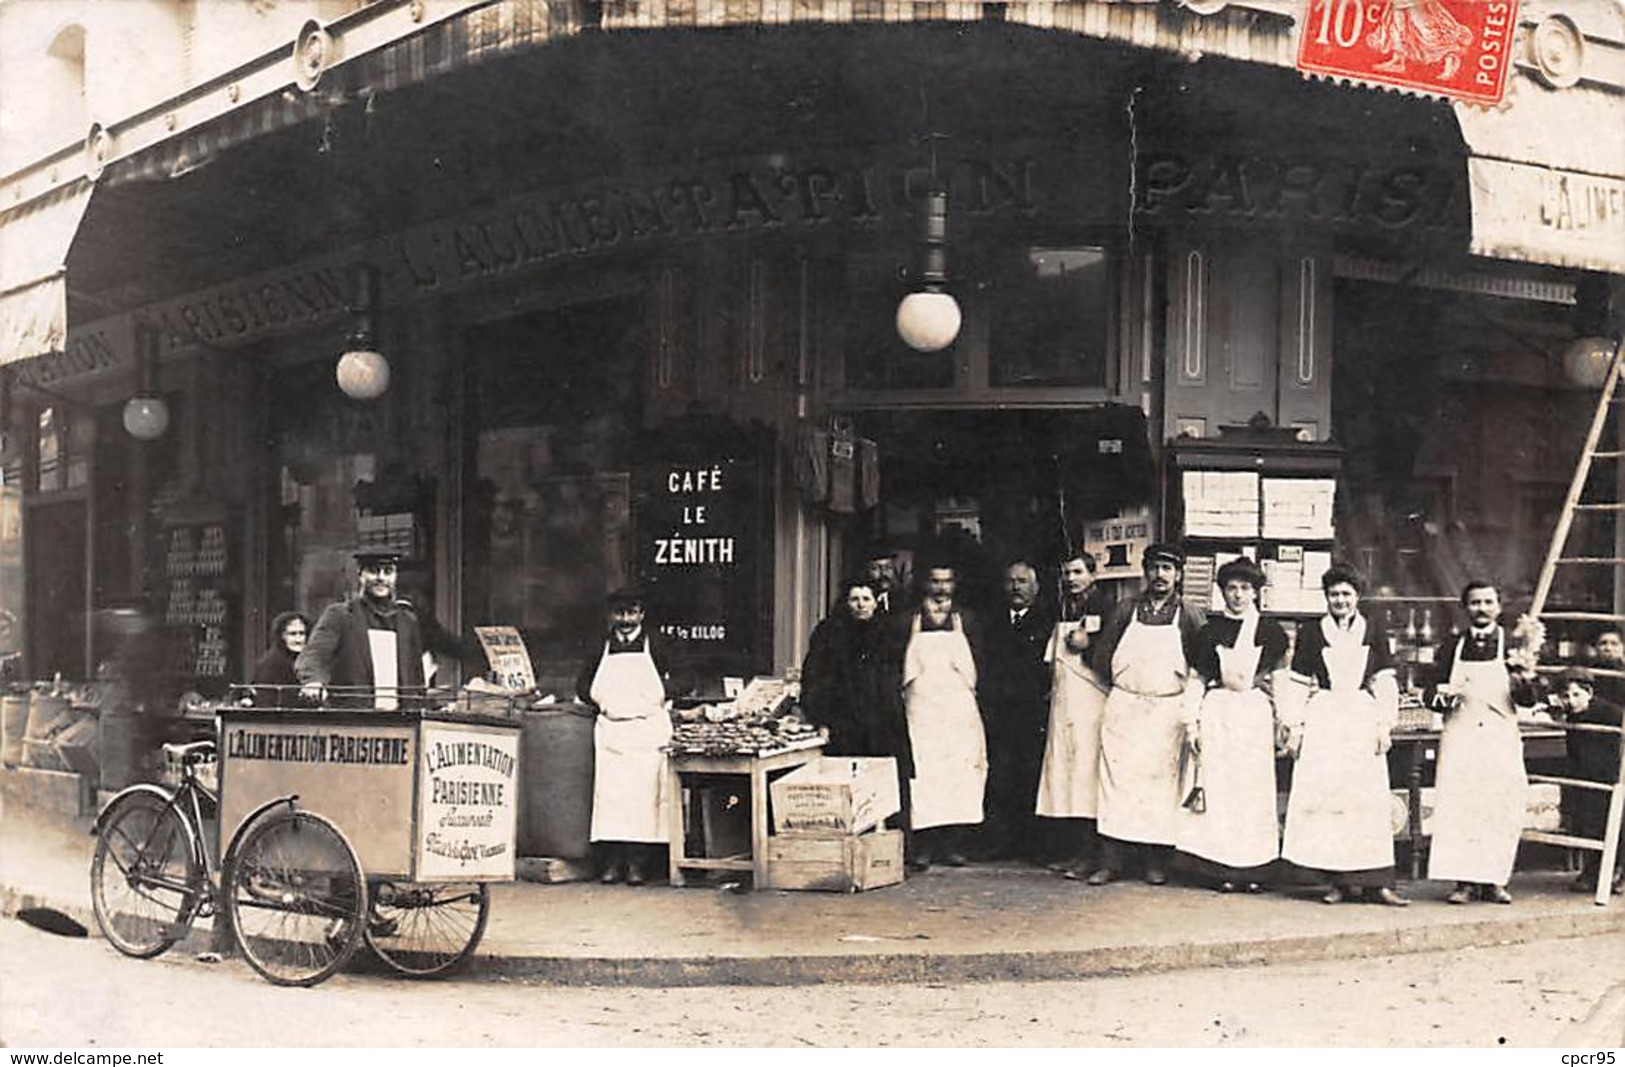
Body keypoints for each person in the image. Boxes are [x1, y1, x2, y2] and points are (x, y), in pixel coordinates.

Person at [1280, 563, 1409, 907]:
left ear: (1357, 597)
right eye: (1334, 594)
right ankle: (1335, 882)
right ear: (1326, 598)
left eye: (1346, 594)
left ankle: (1376, 883)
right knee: (1329, 799)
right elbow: (1297, 680)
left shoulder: (1373, 629)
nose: (1340, 600)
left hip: (1360, 719)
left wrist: (1384, 723)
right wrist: (1295, 726)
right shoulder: (1311, 632)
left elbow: (1383, 678)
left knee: (1365, 800)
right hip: (1324, 718)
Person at [1085, 542, 1204, 887]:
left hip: (1167, 711)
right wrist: (1129, 690)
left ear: (1178, 575)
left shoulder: (1189, 614)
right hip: (1125, 707)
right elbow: (1101, 658)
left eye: (1167, 569)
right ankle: (1110, 862)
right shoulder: (1125, 609)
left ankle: (1156, 862)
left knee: (1160, 788)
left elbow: (1201, 664)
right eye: (1154, 568)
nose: (1160, 575)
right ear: (1145, 572)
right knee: (1115, 784)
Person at [1175, 558, 1289, 893]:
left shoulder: (1271, 632)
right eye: (1231, 588)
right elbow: (1197, 680)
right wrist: (1191, 723)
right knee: (1222, 790)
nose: (1238, 595)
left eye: (1245, 589)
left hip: (1253, 714)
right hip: (1218, 713)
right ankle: (1221, 868)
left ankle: (1254, 869)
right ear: (1222, 591)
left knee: (1252, 791)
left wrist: (1286, 721)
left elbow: (1280, 680)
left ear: (1256, 593)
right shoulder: (1210, 632)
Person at [1426, 581, 1538, 905]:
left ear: (1498, 607)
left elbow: (1529, 700)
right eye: (1475, 603)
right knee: (1460, 805)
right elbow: (1430, 691)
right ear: (1466, 608)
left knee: (1498, 805)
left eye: (1488, 602)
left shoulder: (1514, 646)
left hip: (1499, 735)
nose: (1482, 608)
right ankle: (1463, 882)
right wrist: (1444, 698)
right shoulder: (1451, 646)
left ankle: (1495, 880)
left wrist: (1523, 683)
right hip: (1461, 734)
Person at [798, 576, 913, 859]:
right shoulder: (829, 632)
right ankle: (845, 851)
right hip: (845, 720)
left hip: (882, 720)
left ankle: (891, 852)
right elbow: (814, 676)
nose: (860, 605)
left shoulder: (888, 632)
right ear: (845, 602)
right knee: (846, 784)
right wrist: (821, 717)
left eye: (866, 599)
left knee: (886, 783)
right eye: (854, 599)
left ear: (876, 603)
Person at [575, 588, 675, 886]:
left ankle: (638, 865)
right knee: (611, 800)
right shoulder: (600, 646)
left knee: (643, 801)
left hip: (647, 731)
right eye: (619, 613)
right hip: (612, 732)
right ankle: (611, 864)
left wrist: (656, 697)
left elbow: (686, 678)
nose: (626, 619)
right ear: (611, 616)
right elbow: (583, 684)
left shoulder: (657, 643)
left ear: (641, 614)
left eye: (632, 612)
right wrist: (602, 701)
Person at [901, 560, 987, 870]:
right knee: (925, 775)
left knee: (959, 775)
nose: (940, 588)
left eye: (946, 581)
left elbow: (982, 663)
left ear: (955, 585)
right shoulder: (908, 618)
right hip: (922, 708)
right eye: (935, 581)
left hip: (958, 709)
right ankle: (924, 846)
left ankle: (952, 845)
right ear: (925, 584)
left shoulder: (969, 620)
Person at [1036, 551, 1111, 876]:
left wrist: (1089, 645)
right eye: (1067, 573)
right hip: (1064, 700)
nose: (1071, 579)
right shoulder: (1063, 606)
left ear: (1092, 574)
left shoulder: (1105, 606)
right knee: (1065, 777)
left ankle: (1093, 855)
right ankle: (1074, 851)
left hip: (1091, 700)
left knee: (1087, 776)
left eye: (1078, 572)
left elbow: (1112, 650)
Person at [979, 560, 1056, 863]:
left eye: (1023, 581)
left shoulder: (1047, 621)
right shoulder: (993, 622)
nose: (1016, 587)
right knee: (1001, 777)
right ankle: (1000, 842)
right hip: (1000, 712)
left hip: (1032, 712)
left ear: (1035, 588)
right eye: (1011, 581)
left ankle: (1032, 846)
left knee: (1031, 777)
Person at [297, 548, 437, 709]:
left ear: (395, 576)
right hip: (355, 721)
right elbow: (314, 655)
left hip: (399, 723)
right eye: (373, 571)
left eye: (388, 572)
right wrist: (313, 682)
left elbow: (416, 676)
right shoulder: (340, 615)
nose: (381, 578)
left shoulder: (407, 621)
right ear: (360, 575)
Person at [1553, 669, 1624, 896]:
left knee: (1615, 822)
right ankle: (1594, 869)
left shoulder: (1610, 712)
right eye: (1566, 696)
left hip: (1612, 773)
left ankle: (1618, 871)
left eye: (1576, 695)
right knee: (1589, 822)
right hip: (1587, 774)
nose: (1571, 702)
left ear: (1589, 693)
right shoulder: (1571, 713)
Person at [248, 611, 309, 705]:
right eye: (292, 634)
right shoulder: (269, 664)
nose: (298, 639)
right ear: (281, 636)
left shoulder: (309, 660)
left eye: (302, 633)